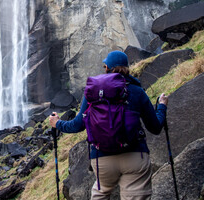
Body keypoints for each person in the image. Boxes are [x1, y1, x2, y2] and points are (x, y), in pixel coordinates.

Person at [49, 50, 168, 200]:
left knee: (101, 193)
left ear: (107, 67)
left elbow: (77, 125)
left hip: (102, 160)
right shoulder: (137, 91)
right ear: (127, 68)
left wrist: (57, 123)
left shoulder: (92, 93)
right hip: (134, 155)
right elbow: (155, 127)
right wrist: (162, 106)